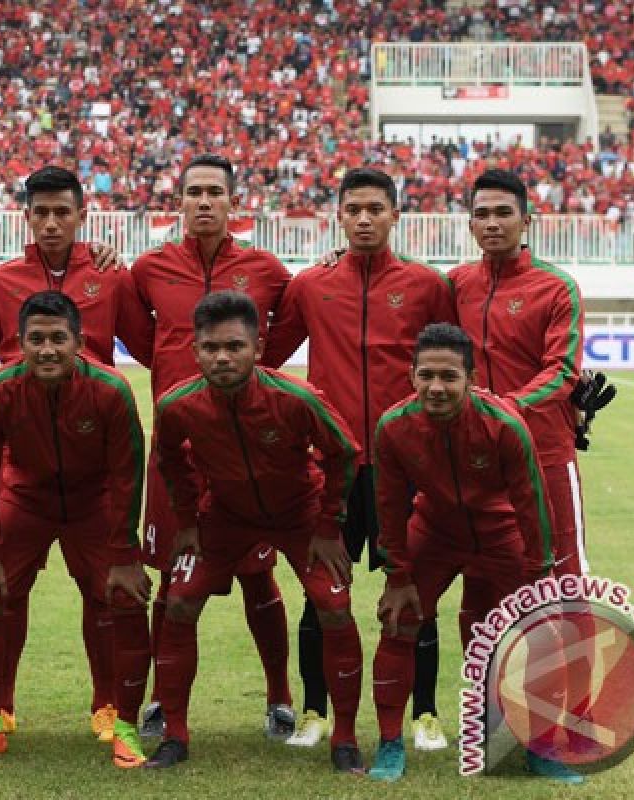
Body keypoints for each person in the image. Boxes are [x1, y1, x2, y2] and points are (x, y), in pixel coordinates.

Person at [265, 167, 457, 750]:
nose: (365, 218)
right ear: (340, 216)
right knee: (321, 591)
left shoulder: (426, 286)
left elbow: (454, 364)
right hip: (335, 467)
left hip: (408, 466)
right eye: (355, 209)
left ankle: (424, 715)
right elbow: (266, 357)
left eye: (377, 208)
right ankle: (315, 712)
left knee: (415, 591)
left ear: (396, 215)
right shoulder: (310, 284)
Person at [145, 291, 365, 773]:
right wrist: (186, 520)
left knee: (333, 606)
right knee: (179, 601)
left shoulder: (297, 397)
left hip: (299, 514)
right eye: (211, 348)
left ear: (257, 348)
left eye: (234, 347)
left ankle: (345, 739)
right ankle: (174, 736)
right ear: (195, 350)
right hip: (224, 516)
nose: (222, 357)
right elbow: (169, 459)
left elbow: (344, 453)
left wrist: (329, 528)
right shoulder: (178, 404)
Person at [0, 166, 154, 740]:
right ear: (26, 216)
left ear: (81, 216)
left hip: (93, 468)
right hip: (21, 471)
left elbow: (152, 348)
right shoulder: (0, 281)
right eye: (41, 213)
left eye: (63, 213)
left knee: (108, 595)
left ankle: (107, 706)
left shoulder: (112, 278)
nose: (52, 223)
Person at [366, 322, 578, 784]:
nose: (436, 388)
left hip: (500, 531)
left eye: (449, 377)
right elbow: (389, 505)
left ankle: (541, 746)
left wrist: (539, 574)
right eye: (427, 376)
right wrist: (398, 574)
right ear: (411, 375)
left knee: (536, 636)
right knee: (398, 623)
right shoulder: (393, 427)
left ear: (471, 377)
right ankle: (388, 744)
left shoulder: (504, 424)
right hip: (435, 530)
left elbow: (531, 502)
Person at [129, 154, 294, 741]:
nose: (202, 202)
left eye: (213, 194)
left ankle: (279, 696)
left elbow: (286, 331)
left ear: (233, 204)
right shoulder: (149, 268)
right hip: (175, 449)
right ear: (179, 202)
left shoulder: (267, 270)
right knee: (173, 577)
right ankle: (162, 700)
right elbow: (137, 336)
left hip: (246, 457)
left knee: (258, 578)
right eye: (192, 192)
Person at [448, 168, 595, 763]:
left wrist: (503, 410)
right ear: (471, 221)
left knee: (564, 592)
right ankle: (487, 716)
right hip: (476, 466)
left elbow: (562, 372)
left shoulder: (557, 287)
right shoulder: (453, 283)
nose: (491, 223)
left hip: (546, 461)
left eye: (503, 213)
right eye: (481, 213)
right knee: (478, 592)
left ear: (525, 220)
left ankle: (570, 728)